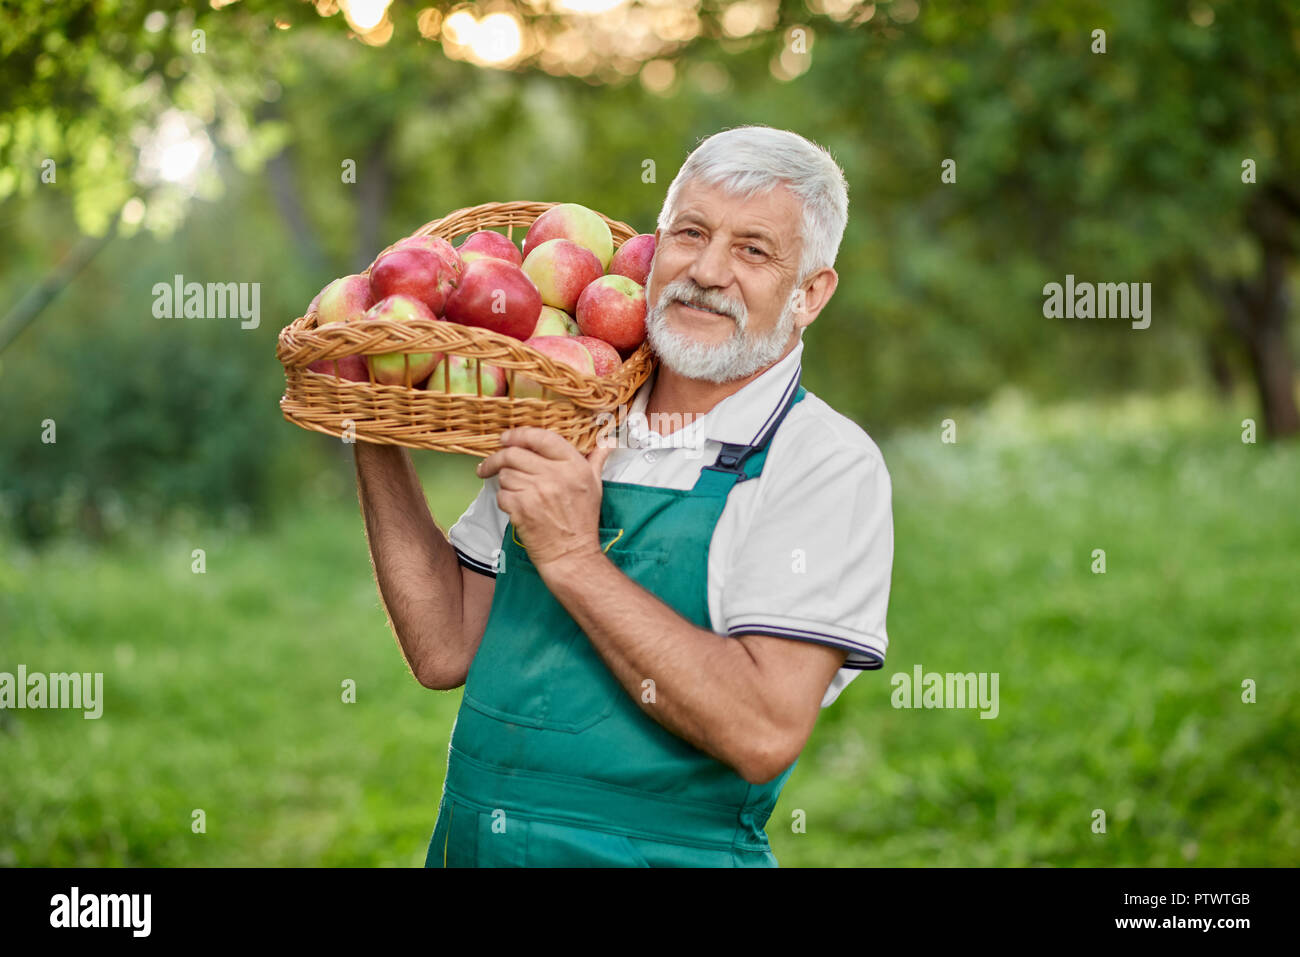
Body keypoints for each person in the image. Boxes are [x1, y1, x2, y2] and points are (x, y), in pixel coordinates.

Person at [354, 125, 894, 867]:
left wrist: (573, 555)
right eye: (690, 233)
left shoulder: (822, 464)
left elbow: (761, 730)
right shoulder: (566, 409)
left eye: (753, 250)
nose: (706, 270)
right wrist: (371, 417)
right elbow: (444, 646)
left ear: (810, 293)